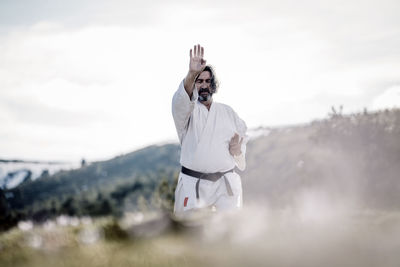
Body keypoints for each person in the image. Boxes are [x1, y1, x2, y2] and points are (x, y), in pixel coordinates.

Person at [172, 44, 248, 217]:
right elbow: (181, 101)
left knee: (231, 230)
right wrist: (191, 74)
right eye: (199, 81)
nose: (204, 85)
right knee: (189, 233)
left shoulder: (228, 113)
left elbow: (241, 154)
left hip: (224, 184)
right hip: (194, 184)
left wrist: (236, 152)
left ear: (213, 85)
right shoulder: (187, 112)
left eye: (208, 81)